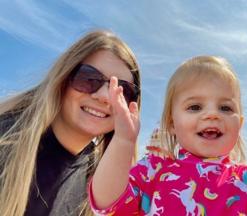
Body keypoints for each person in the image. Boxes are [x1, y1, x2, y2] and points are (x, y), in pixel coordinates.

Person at [89, 55, 247, 215]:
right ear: (172, 124)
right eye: (195, 107)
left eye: (225, 108)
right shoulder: (153, 171)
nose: (212, 114)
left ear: (239, 124)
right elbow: (107, 204)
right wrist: (123, 140)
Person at [0, 30, 141, 216]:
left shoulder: (101, 180)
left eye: (122, 91)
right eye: (89, 79)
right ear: (63, 78)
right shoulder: (5, 139)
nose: (105, 96)